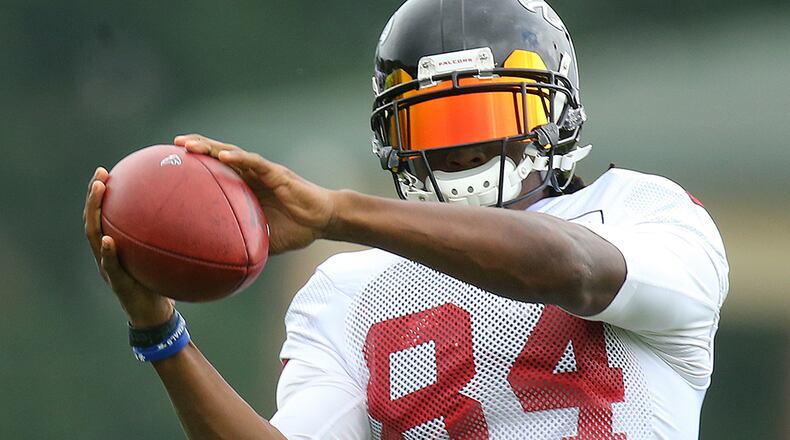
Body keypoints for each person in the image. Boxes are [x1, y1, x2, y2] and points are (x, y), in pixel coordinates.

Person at [83, 0, 729, 438]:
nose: (463, 147)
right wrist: (161, 332)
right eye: (435, 124)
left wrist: (338, 211)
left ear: (551, 115)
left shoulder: (648, 215)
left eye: (487, 117)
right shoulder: (346, 292)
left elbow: (572, 270)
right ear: (395, 138)